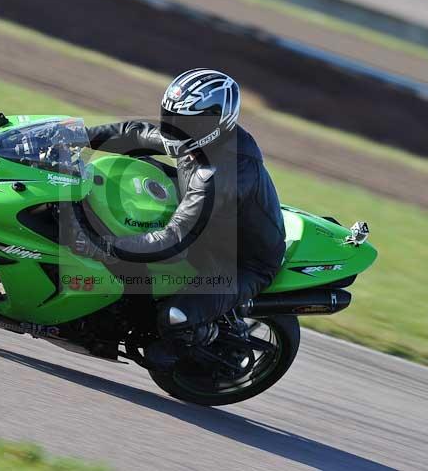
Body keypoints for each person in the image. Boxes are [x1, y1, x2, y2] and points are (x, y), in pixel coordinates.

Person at [70, 68, 287, 370]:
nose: (172, 128)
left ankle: (191, 346)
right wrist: (76, 135)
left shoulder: (218, 175)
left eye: (184, 122)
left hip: (238, 261)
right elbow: (134, 134)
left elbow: (174, 239)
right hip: (206, 224)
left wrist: (101, 245)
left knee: (174, 319)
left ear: (213, 122)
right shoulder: (197, 139)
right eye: (170, 116)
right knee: (127, 174)